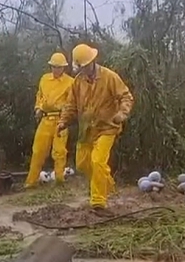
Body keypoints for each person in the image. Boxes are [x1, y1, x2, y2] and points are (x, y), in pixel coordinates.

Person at [56, 43, 134, 213]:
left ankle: (98, 201)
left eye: (86, 65)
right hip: (87, 130)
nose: (84, 69)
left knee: (97, 161)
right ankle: (107, 185)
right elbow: (71, 105)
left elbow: (126, 97)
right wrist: (63, 122)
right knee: (83, 164)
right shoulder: (78, 82)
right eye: (81, 67)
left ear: (93, 61)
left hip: (107, 127)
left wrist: (122, 114)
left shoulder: (109, 77)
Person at [24, 52, 75, 187]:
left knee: (59, 151)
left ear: (64, 68)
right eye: (53, 66)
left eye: (59, 67)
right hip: (45, 119)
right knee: (38, 150)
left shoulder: (70, 82)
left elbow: (72, 103)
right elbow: (39, 96)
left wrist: (66, 118)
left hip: (60, 120)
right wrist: (38, 109)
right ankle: (31, 182)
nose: (56, 69)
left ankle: (59, 180)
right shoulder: (44, 79)